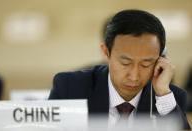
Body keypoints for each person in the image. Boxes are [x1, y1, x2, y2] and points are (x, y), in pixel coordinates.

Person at [49, 9, 190, 129]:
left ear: (161, 59)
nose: (134, 76)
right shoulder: (69, 88)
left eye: (146, 64)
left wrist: (163, 95)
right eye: (125, 62)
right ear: (106, 52)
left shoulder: (170, 99)